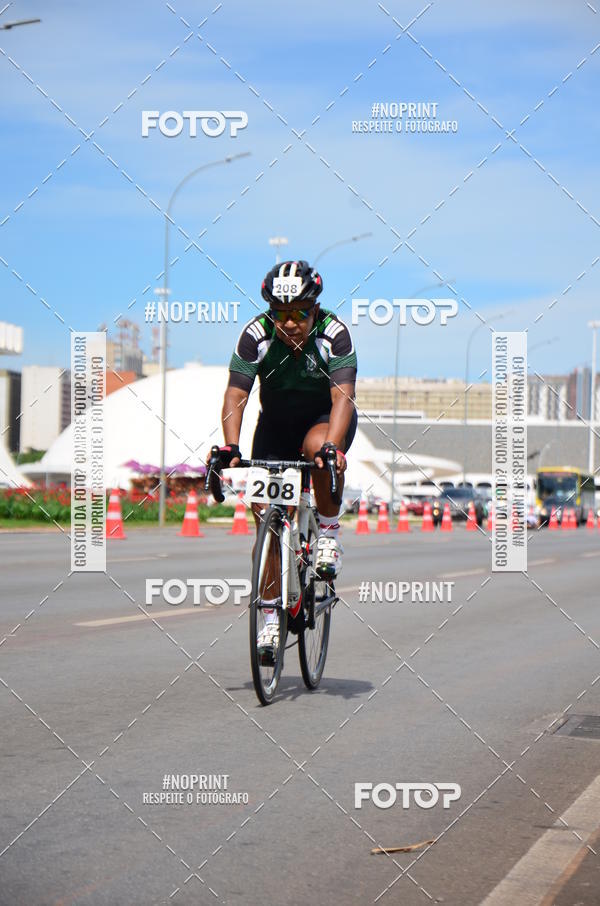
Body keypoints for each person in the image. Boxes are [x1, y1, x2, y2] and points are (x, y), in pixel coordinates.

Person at [214, 260, 358, 660]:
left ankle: (327, 533)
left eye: (299, 313)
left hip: (323, 420)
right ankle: (271, 619)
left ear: (314, 309)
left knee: (319, 450)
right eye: (281, 314)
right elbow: (236, 395)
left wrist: (333, 447)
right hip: (275, 426)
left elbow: (342, 396)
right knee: (268, 527)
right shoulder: (255, 335)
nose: (290, 323)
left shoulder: (335, 334)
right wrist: (230, 447)